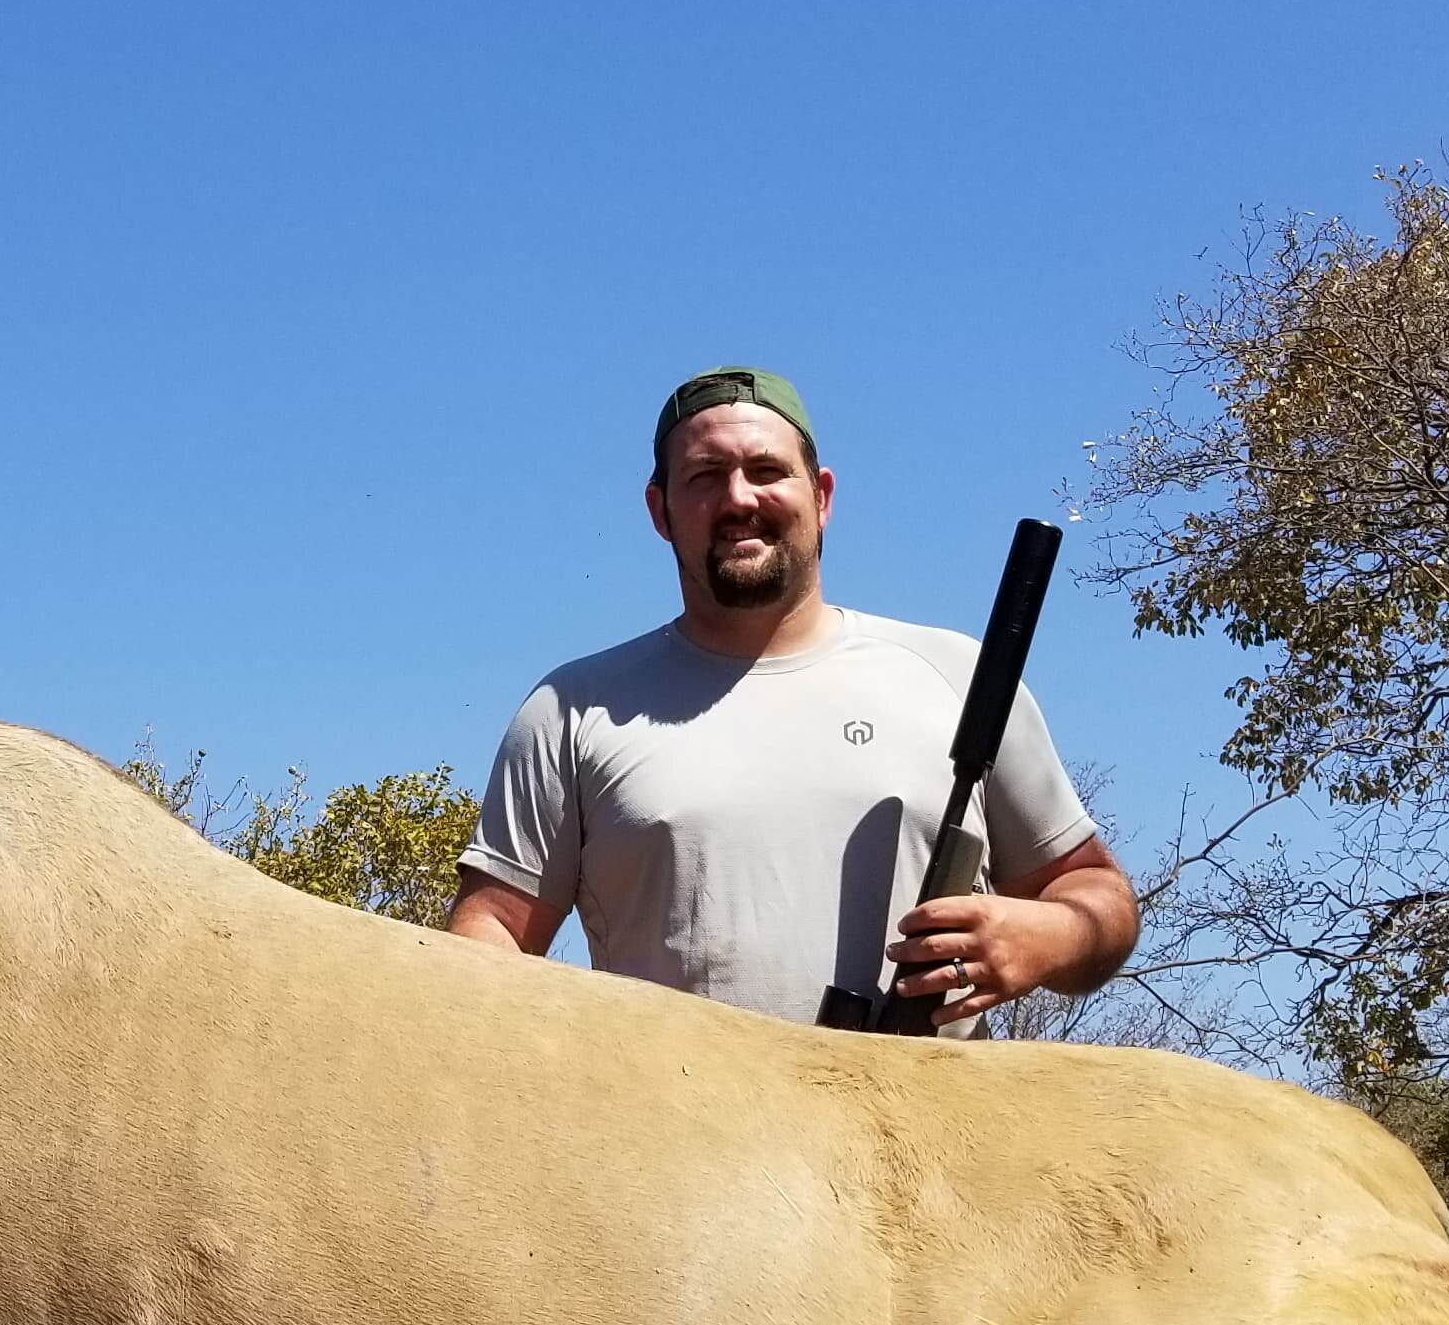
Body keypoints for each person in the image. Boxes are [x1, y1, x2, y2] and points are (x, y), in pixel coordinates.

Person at [444, 367, 1137, 1029]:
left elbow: (1093, 892)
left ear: (823, 496)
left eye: (767, 470)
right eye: (705, 476)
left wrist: (1051, 935)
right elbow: (495, 929)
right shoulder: (571, 709)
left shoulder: (959, 676)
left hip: (932, 1134)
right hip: (672, 1139)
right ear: (660, 511)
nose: (739, 498)